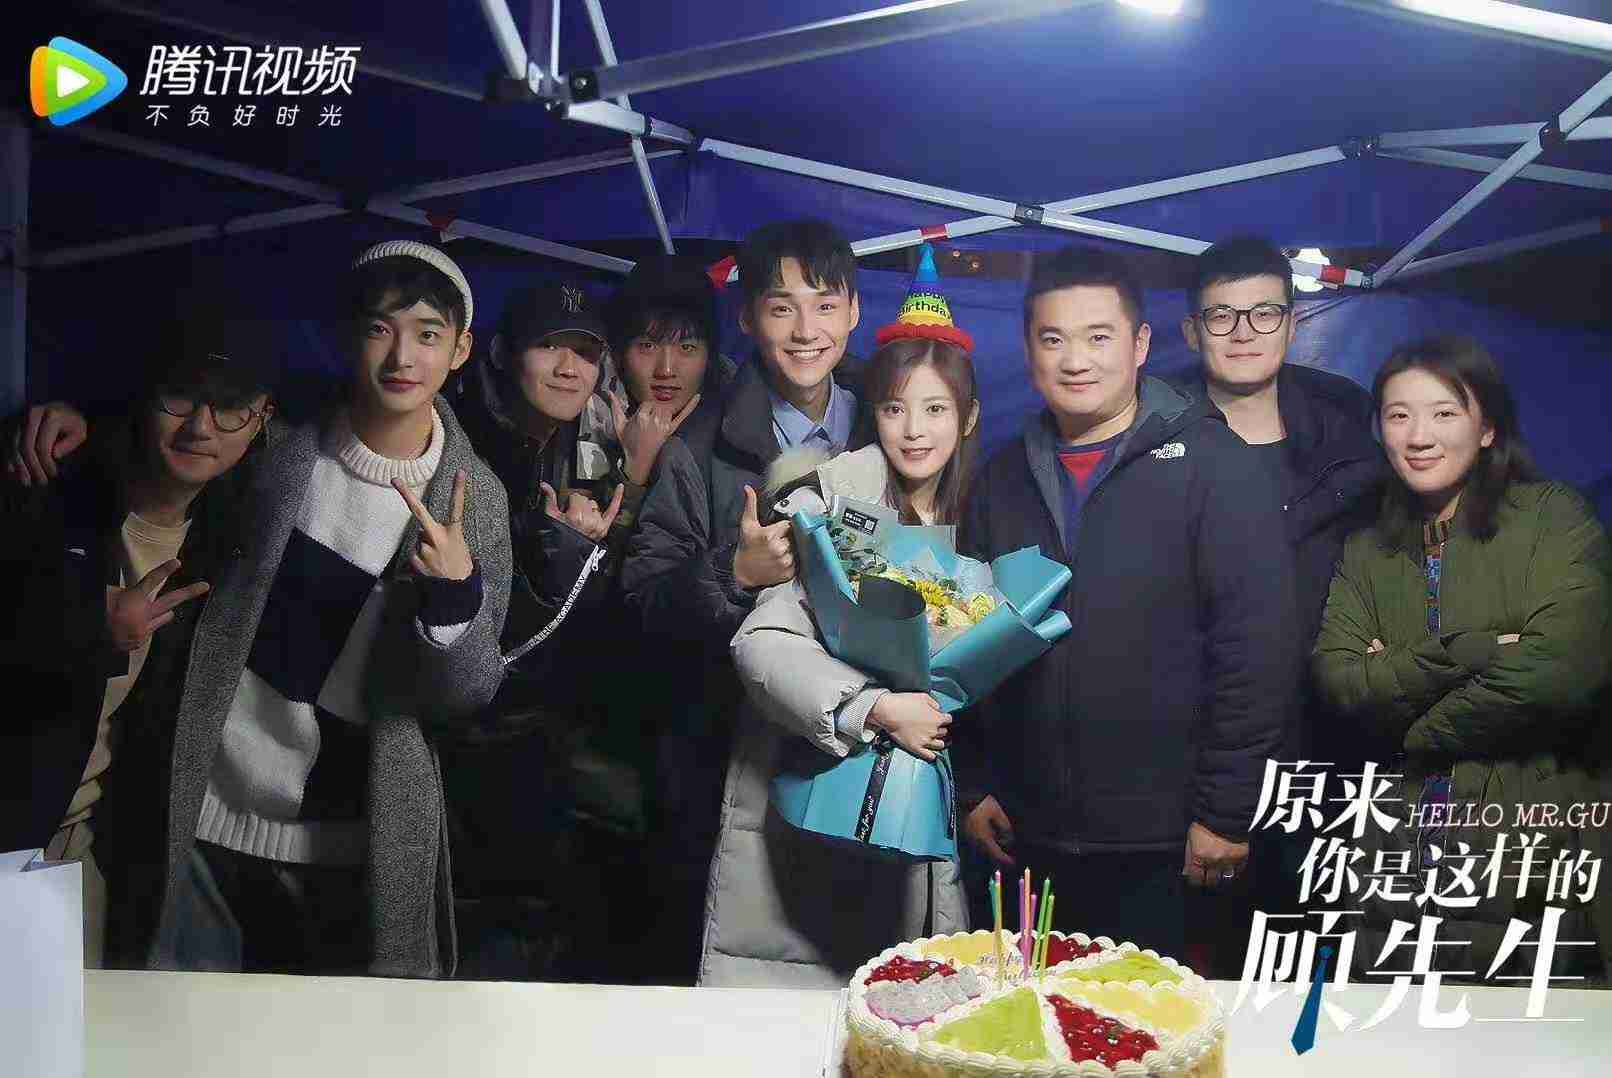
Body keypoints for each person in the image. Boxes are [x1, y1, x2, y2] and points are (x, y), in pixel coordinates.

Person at [142, 240, 511, 977]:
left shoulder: (475, 500)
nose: (402, 356)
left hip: (351, 840)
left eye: (428, 334)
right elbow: (173, 440)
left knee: (338, 1031)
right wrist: (69, 421)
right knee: (182, 1024)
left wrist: (454, 594)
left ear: (461, 350)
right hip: (206, 808)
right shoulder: (278, 448)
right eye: (380, 328)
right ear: (348, 336)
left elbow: (467, 695)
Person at [953, 245, 1300, 961]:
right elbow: (966, 641)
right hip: (1028, 833)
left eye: (1098, 337)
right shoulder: (1000, 479)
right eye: (1054, 339)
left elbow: (1256, 650)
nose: (1076, 360)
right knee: (1033, 1019)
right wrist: (974, 784)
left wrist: (1226, 813)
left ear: (1140, 344)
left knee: (1152, 1021)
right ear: (1028, 349)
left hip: (1170, 841)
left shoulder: (1215, 466)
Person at [715, 246, 976, 986]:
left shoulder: (980, 513)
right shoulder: (828, 502)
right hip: (820, 807)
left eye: (935, 409)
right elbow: (761, 644)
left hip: (922, 821)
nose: (914, 430)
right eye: (894, 409)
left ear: (968, 417)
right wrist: (876, 707)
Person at [1312, 336, 1611, 981]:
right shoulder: (1367, 547)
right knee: (1389, 1022)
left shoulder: (1553, 519)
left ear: (1487, 427)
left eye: (1444, 412)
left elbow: (1558, 675)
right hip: (1391, 847)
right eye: (1398, 415)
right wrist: (1477, 649)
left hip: (1529, 840)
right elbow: (1340, 681)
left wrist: (1415, 726)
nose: (1419, 435)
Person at [622, 219, 864, 983]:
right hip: (732, 759)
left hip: (865, 752)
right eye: (781, 307)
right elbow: (640, 603)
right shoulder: (700, 446)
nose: (805, 330)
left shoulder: (894, 422)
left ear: (855, 312)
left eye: (825, 305)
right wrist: (733, 571)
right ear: (749, 318)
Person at [1, 316, 276, 969]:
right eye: (180, 398)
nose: (201, 426)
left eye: (229, 407)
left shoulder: (232, 537)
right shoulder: (44, 485)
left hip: (83, 850)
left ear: (262, 417)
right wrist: (83, 627)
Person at [1175, 236, 1385, 955]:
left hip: (1326, 761)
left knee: (1308, 973)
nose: (1244, 332)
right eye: (1222, 315)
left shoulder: (1350, 442)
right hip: (1191, 764)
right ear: (1191, 331)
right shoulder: (1152, 443)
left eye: (1264, 313)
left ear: (1293, 324)